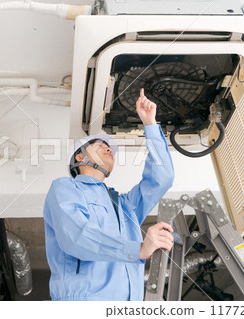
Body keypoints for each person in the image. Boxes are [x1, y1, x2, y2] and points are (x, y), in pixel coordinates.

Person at [43, 88, 175, 301]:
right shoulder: (65, 189)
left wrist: (150, 124)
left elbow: (162, 178)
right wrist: (139, 249)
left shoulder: (123, 205)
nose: (108, 148)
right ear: (79, 157)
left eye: (109, 147)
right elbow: (76, 237)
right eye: (99, 145)